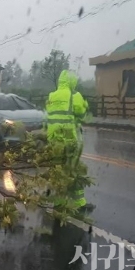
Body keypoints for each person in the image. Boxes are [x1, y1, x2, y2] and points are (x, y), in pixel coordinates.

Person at [45, 70, 88, 210]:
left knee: (58, 171)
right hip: (70, 141)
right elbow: (81, 114)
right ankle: (78, 203)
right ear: (71, 81)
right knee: (73, 171)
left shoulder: (51, 96)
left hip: (54, 142)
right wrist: (85, 105)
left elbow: (48, 117)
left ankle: (59, 203)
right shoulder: (74, 95)